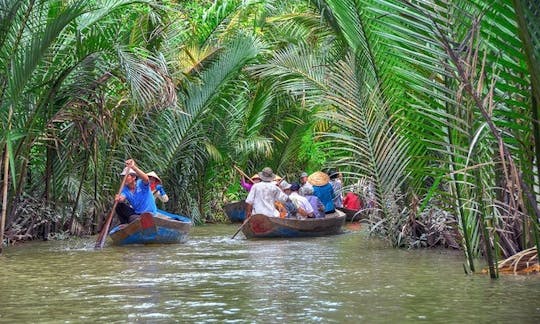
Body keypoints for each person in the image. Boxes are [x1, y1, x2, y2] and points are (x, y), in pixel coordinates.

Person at [115, 159, 157, 224]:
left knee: (133, 219)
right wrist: (119, 198)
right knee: (119, 205)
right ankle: (125, 224)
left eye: (126, 176)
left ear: (134, 177)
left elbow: (146, 178)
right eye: (123, 176)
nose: (124, 178)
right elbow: (122, 197)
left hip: (149, 214)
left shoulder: (141, 184)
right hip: (138, 214)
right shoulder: (124, 189)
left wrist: (133, 167)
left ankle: (134, 222)